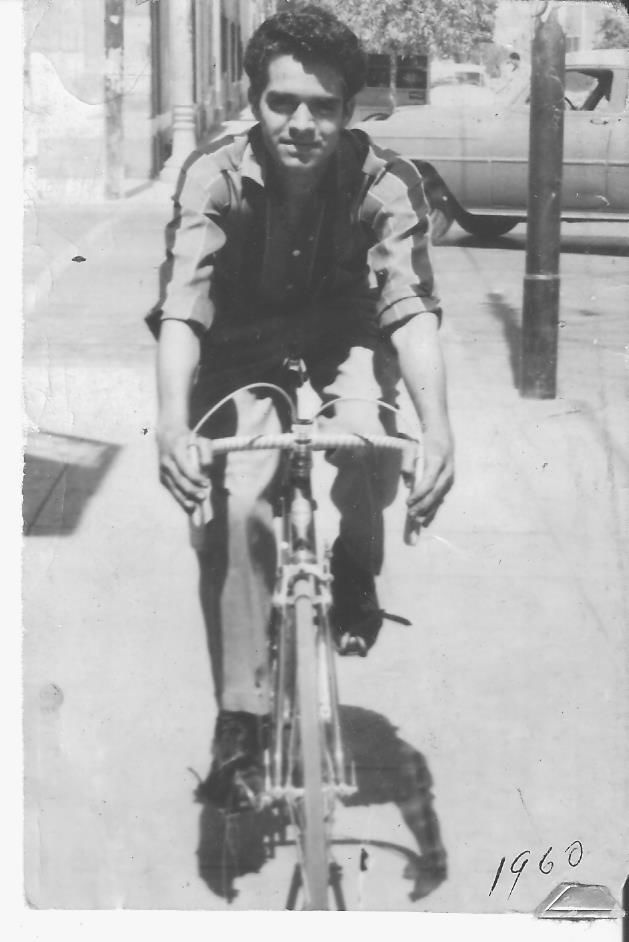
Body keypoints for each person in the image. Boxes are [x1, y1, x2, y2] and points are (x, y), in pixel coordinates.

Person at [149, 4, 454, 809]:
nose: (302, 124)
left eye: (323, 107)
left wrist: (438, 427)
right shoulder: (211, 175)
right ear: (255, 103)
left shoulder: (387, 181)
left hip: (342, 330)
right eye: (282, 102)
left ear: (349, 112)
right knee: (239, 502)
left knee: (367, 441)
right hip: (238, 346)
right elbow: (183, 306)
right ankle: (241, 728)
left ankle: (355, 569)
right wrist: (172, 423)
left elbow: (411, 308)